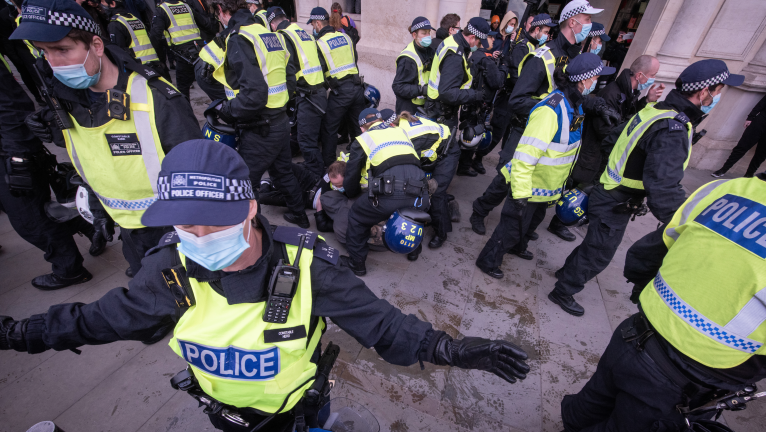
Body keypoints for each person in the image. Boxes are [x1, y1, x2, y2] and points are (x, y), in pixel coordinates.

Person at [0, 139, 531, 432]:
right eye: (184, 224)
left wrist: (450, 349)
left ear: (250, 208)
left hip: (298, 413)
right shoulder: (168, 272)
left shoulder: (307, 266)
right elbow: (97, 320)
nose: (197, 237)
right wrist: (20, 333)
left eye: (212, 221)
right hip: (219, 414)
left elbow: (383, 326)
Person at [13, 0, 203, 284]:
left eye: (63, 50)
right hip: (128, 229)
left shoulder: (156, 98)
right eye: (44, 52)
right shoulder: (65, 101)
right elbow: (95, 161)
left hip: (171, 229)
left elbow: (199, 176)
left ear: (96, 45)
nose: (54, 62)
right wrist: (99, 210)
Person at [563, 174, 766, 431]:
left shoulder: (730, 187)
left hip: (637, 331)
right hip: (692, 375)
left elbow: (654, 247)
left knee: (592, 401)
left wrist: (644, 295)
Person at [550, 59, 745, 317]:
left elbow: (610, 141)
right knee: (599, 254)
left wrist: (625, 169)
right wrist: (685, 225)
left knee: (593, 245)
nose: (718, 96)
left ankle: (565, 273)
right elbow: (664, 188)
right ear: (703, 92)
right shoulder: (672, 128)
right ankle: (563, 291)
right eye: (718, 90)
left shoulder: (655, 111)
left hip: (608, 191)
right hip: (616, 201)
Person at [470, 0, 614, 243]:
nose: (591, 25)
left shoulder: (576, 56)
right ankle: (480, 210)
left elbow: (573, 97)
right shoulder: (542, 56)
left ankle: (521, 231)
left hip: (552, 134)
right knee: (507, 177)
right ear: (573, 22)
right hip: (525, 130)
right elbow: (517, 100)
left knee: (536, 184)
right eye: (588, 19)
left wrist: (595, 105)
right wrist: (550, 108)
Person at [475, 53, 615, 279]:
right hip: (528, 186)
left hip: (544, 187)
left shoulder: (574, 103)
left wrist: (598, 106)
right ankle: (488, 261)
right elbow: (525, 155)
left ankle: (517, 247)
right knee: (511, 228)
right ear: (583, 80)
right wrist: (520, 194)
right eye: (597, 78)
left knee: (530, 223)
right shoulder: (551, 110)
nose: (598, 82)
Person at [209, 0, 310, 229]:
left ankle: (255, 232)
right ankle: (299, 215)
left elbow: (254, 96)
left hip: (260, 127)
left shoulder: (239, 38)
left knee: (246, 182)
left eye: (217, 13)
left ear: (222, 10)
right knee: (283, 172)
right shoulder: (269, 34)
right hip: (280, 120)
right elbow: (290, 78)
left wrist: (227, 110)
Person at [0, 55, 97, 290]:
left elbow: (10, 106)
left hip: (11, 154)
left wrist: (19, 157)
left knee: (29, 219)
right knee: (34, 212)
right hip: (12, 150)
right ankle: (89, 226)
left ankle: (69, 269)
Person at [341, 109, 430, 275]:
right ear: (382, 121)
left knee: (357, 216)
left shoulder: (363, 139)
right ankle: (414, 251)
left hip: (390, 196)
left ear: (362, 128)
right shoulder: (400, 132)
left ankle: (357, 264)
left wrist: (352, 193)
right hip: (420, 193)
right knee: (415, 214)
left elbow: (352, 176)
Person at [423, 16, 486, 250]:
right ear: (473, 37)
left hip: (438, 115)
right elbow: (448, 93)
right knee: (441, 176)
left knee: (436, 167)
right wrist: (475, 95)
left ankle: (434, 206)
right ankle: (440, 229)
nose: (479, 46)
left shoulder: (453, 43)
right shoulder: (455, 54)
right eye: (479, 42)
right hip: (442, 118)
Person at [470, 13, 555, 176]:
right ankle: (477, 158)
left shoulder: (535, 47)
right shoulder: (523, 47)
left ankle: (503, 164)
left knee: (510, 134)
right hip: (508, 97)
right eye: (545, 31)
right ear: (537, 29)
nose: (547, 35)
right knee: (497, 132)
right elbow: (516, 75)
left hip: (518, 99)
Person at [571, 55, 664, 187]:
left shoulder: (630, 92)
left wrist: (647, 100)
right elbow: (606, 132)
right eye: (653, 75)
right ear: (639, 75)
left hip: (601, 160)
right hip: (591, 162)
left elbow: (631, 116)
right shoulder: (611, 94)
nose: (653, 79)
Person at [269, 6, 327, 177]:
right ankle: (316, 169)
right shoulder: (303, 33)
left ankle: (316, 177)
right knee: (310, 138)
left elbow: (287, 72)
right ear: (286, 18)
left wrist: (284, 99)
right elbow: (321, 62)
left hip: (308, 96)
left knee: (306, 142)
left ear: (272, 25)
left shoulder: (282, 37)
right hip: (318, 92)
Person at [310, 7, 368, 169]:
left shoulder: (320, 44)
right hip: (357, 88)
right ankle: (361, 162)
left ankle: (329, 166)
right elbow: (354, 59)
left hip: (340, 92)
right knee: (358, 128)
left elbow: (320, 70)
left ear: (318, 23)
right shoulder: (346, 37)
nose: (313, 28)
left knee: (329, 128)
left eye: (313, 25)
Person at [456, 29, 506, 176]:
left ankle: (462, 165)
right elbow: (497, 82)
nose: (493, 41)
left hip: (471, 101)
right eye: (491, 38)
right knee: (472, 136)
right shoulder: (485, 60)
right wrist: (503, 67)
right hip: (479, 104)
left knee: (468, 134)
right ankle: (463, 167)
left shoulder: (476, 56)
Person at [151, 0, 217, 98]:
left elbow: (155, 36)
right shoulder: (186, 6)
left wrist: (158, 57)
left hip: (183, 54)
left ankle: (186, 108)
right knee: (209, 83)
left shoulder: (161, 10)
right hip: (199, 50)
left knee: (183, 88)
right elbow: (206, 24)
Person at [102, 0, 168, 79]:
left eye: (103, 2)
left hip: (140, 70)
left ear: (112, 3)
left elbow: (119, 53)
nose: (101, 5)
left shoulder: (115, 24)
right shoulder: (134, 18)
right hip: (155, 65)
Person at [712, 93, 766, 178]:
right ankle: (723, 169)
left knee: (761, 154)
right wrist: (750, 117)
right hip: (761, 121)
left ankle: (749, 175)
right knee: (742, 147)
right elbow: (761, 103)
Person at [392, 16, 435, 116]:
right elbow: (398, 87)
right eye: (424, 33)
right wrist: (421, 90)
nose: (427, 36)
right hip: (408, 108)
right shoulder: (407, 58)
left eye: (428, 32)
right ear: (414, 35)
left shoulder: (430, 51)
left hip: (424, 105)